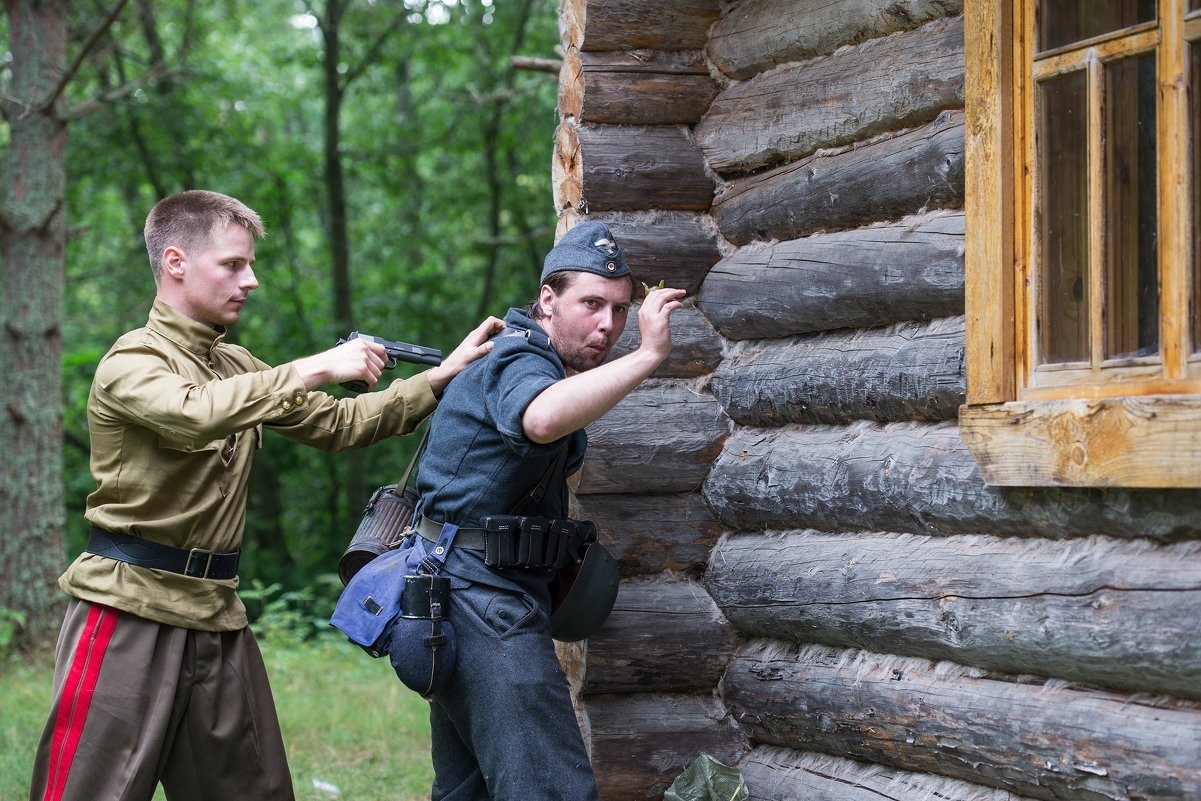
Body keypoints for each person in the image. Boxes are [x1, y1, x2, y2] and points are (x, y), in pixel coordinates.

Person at [27, 189, 504, 801]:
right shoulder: (132, 359)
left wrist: (439, 379)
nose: (249, 280)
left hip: (215, 614)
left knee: (253, 791)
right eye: (232, 264)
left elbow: (339, 425)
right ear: (175, 262)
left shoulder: (234, 364)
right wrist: (317, 365)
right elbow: (191, 414)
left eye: (249, 265)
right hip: (127, 610)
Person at [408, 219, 685, 800]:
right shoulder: (521, 359)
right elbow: (540, 419)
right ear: (547, 300)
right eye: (591, 304)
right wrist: (649, 353)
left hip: (467, 591)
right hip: (479, 599)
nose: (607, 325)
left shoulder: (540, 360)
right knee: (551, 789)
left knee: (471, 790)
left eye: (619, 308)